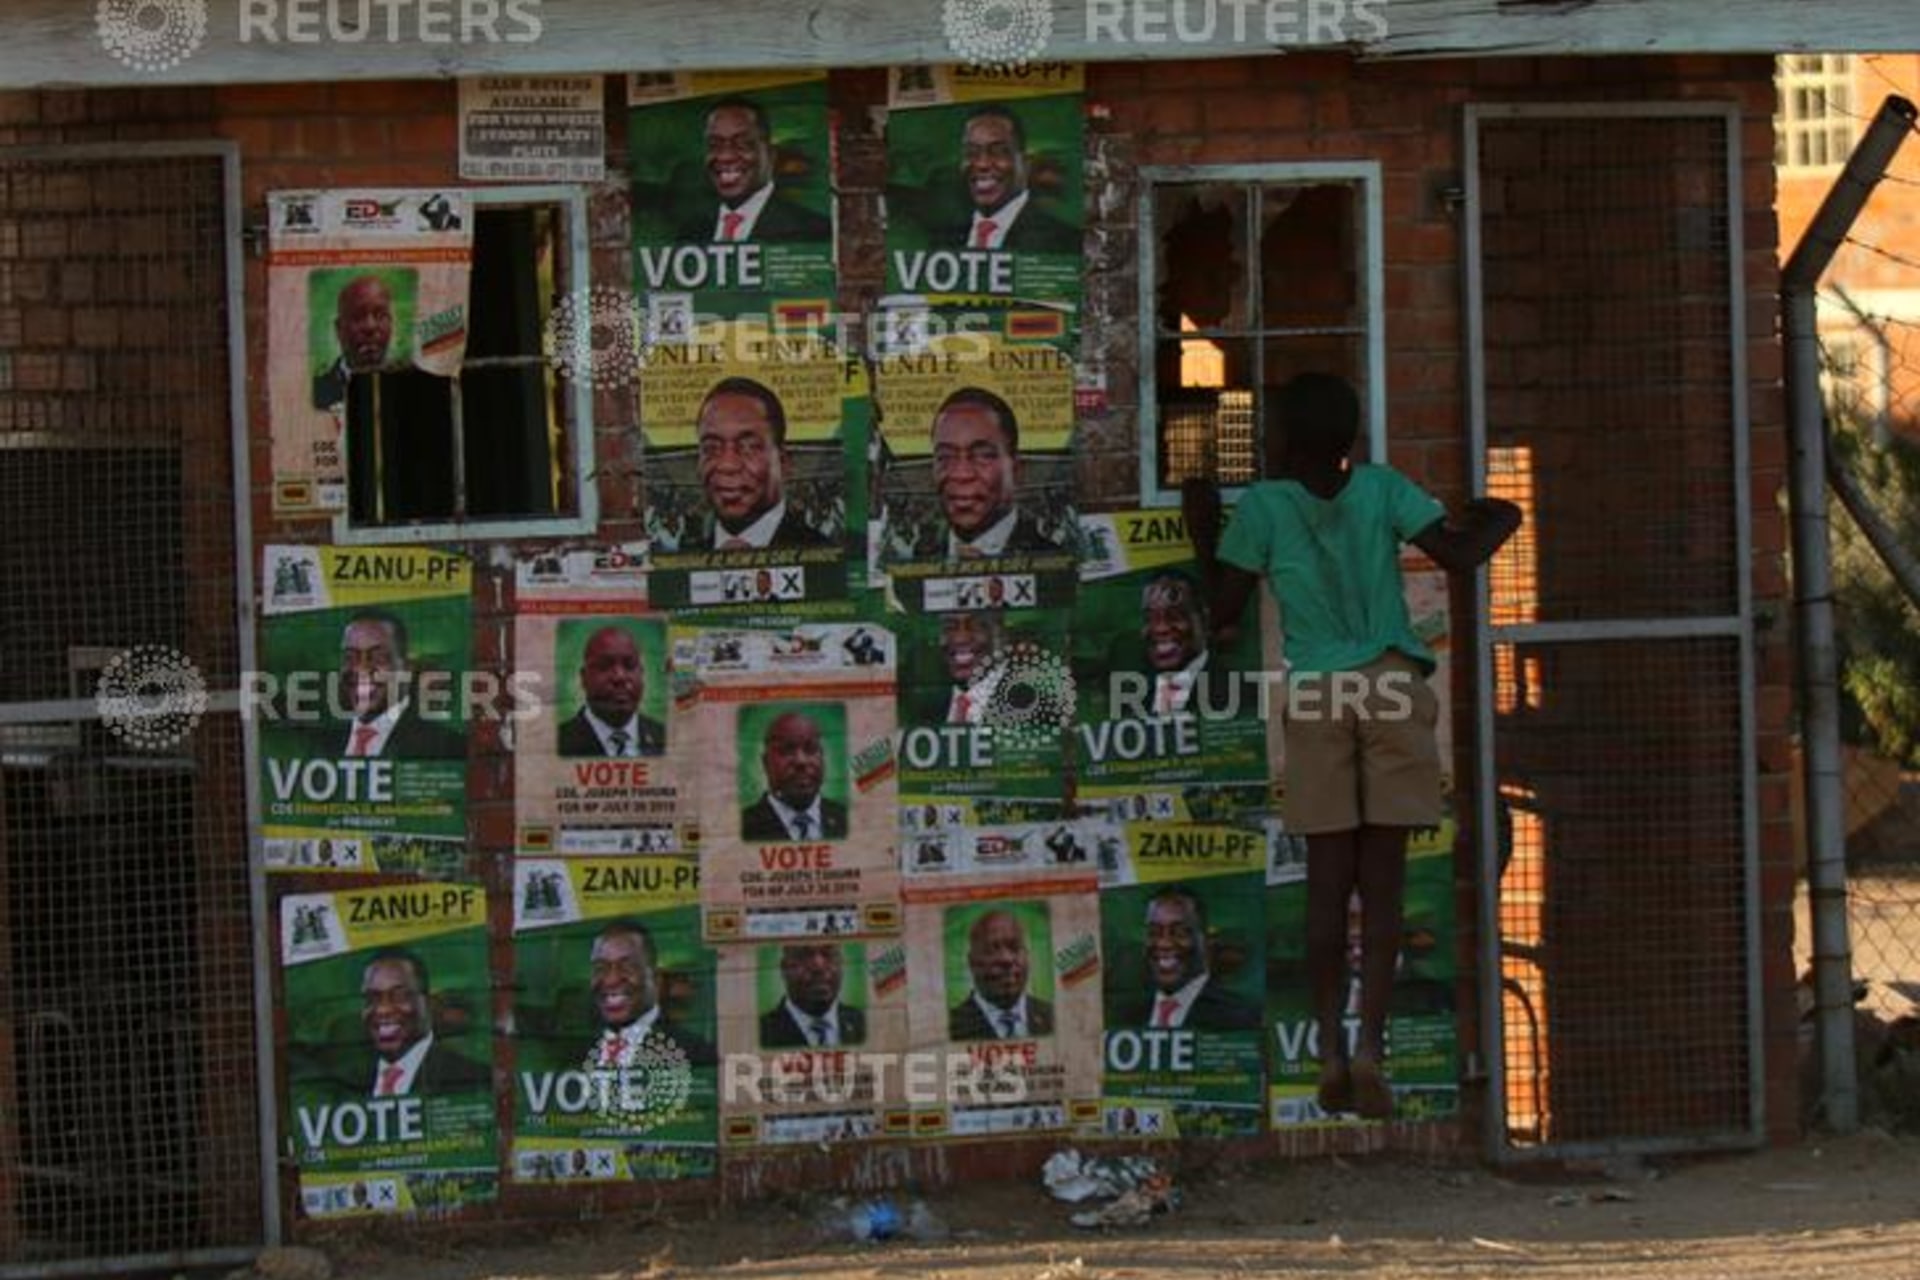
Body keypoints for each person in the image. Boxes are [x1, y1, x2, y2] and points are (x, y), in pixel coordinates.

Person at [1192, 371, 1521, 1120]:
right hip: (1392, 687)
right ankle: (1371, 1045)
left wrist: (1199, 527)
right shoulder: (1380, 488)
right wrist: (1504, 515)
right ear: (1348, 438)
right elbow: (1461, 557)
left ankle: (1329, 1056)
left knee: (1325, 885)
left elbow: (1223, 613)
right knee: (1384, 886)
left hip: (1317, 693)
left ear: (1280, 440)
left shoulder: (1266, 507)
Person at [687, 377, 829, 551]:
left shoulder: (823, 552)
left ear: (783, 462)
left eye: (749, 447)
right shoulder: (678, 561)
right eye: (711, 448)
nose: (727, 465)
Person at [680, 98, 830, 244]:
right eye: (714, 145)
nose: (726, 156)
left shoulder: (814, 231)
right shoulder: (692, 232)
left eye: (743, 144)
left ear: (771, 155)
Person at [931, 387, 1058, 558]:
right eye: (945, 456)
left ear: (1016, 470)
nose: (961, 474)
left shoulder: (1052, 560)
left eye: (983, 456)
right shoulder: (911, 558)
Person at [1113, 887, 1260, 1031]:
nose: (1164, 943)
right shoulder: (1125, 1016)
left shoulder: (1241, 1017)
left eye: (1180, 932)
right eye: (1154, 932)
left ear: (1205, 940)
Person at [331, 610, 464, 759]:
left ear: (407, 668)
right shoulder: (319, 744)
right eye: (350, 657)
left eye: (378, 657)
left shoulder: (448, 748)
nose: (361, 669)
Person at [359, 950, 489, 1097]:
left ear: (427, 1003)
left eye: (400, 996)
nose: (383, 1009)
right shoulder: (342, 1084)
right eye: (371, 998)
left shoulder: (475, 1079)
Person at [953, 106, 1079, 254]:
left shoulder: (1066, 242)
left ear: (1025, 164)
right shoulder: (944, 237)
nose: (983, 164)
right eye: (971, 152)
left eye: (999, 152)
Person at [587, 921, 715, 1067]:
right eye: (600, 968)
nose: (611, 980)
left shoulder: (696, 1053)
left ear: (656, 981)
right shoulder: (570, 1050)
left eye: (627, 967)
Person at [557, 626, 667, 758]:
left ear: (642, 674)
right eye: (604, 666)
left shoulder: (666, 737)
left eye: (630, 665)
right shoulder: (557, 742)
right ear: (583, 678)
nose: (619, 677)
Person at [740, 711, 849, 841]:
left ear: (822, 758)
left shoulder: (847, 819)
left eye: (811, 749)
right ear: (766, 763)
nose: (801, 761)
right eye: (786, 750)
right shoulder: (742, 827)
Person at [948, 909, 1054, 1041]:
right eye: (991, 950)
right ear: (972, 962)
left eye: (1015, 948)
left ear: (1027, 956)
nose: (1006, 959)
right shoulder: (950, 1027)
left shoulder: (1053, 1016)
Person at [759, 943, 867, 1048]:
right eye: (804, 956)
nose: (819, 966)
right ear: (784, 969)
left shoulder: (864, 1023)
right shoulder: (763, 1031)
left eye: (828, 954)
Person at [312, 275, 394, 410]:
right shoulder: (315, 393)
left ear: (391, 324)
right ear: (339, 329)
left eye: (380, 316)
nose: (370, 327)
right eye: (357, 317)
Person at [1141, 570, 1211, 716]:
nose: (1160, 628)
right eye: (1150, 618)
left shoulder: (1239, 693)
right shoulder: (1137, 695)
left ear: (1204, 619)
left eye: (1175, 616)